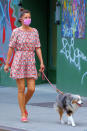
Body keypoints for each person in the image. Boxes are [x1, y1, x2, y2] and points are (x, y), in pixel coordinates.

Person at [4, 8, 45, 122]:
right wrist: (7, 64)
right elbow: (11, 48)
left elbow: (37, 47)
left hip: (30, 60)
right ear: (21, 19)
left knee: (31, 89)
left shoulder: (34, 31)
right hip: (19, 60)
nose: (28, 19)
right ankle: (23, 113)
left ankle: (23, 105)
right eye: (26, 17)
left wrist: (41, 62)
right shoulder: (16, 31)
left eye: (29, 17)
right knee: (21, 89)